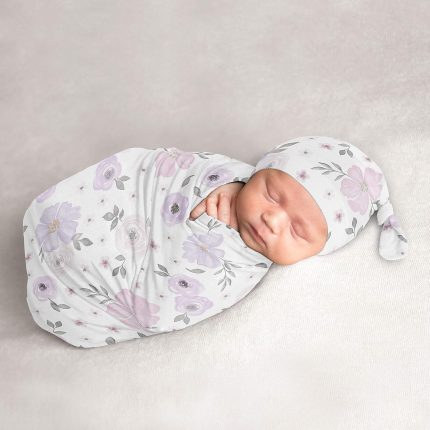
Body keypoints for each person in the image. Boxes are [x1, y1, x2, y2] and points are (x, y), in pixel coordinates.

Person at [23, 136, 408, 348]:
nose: (272, 220)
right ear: (258, 170)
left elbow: (163, 307)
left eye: (297, 231)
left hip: (94, 293)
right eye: (271, 194)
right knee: (63, 222)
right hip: (110, 212)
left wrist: (207, 237)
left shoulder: (240, 270)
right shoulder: (229, 175)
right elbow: (157, 170)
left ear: (317, 251)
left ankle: (71, 269)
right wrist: (223, 184)